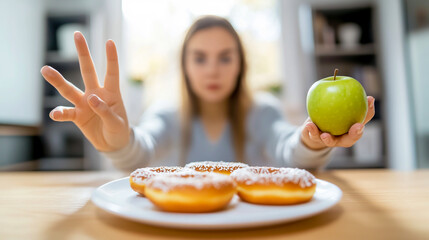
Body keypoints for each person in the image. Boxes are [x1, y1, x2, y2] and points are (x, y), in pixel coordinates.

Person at [40, 16, 375, 171]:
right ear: (184, 66)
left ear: (240, 65)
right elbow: (141, 150)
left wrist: (312, 142)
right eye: (199, 58)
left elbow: (289, 150)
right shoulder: (167, 114)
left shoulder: (263, 112)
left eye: (225, 57)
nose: (212, 69)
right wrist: (117, 144)